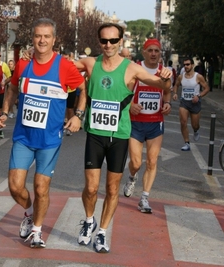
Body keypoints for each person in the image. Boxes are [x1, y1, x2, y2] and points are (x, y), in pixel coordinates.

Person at [74, 23, 172, 253]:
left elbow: (161, 84)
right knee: (90, 188)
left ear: (120, 42)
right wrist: (31, 55)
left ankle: (102, 232)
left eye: (113, 41)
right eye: (104, 41)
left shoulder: (131, 69)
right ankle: (89, 221)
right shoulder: (90, 63)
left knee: (112, 188)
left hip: (118, 136)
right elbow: (58, 66)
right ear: (99, 42)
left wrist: (166, 78)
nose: (108, 45)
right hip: (95, 134)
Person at [0, 18, 86, 248]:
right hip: (23, 137)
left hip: (49, 140)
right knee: (15, 186)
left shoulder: (65, 67)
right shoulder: (23, 65)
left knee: (40, 187)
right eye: (38, 36)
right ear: (33, 39)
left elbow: (83, 89)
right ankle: (28, 213)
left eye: (47, 36)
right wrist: (5, 111)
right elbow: (13, 88)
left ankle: (37, 231)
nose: (42, 40)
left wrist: (78, 115)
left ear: (54, 40)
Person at [122, 39, 172, 214]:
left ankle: (144, 198)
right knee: (135, 162)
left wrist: (167, 103)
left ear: (160, 53)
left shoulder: (164, 72)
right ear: (143, 52)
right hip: (135, 122)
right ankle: (132, 176)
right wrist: (130, 106)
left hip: (155, 122)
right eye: (150, 50)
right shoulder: (135, 69)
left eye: (156, 51)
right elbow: (125, 92)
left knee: (152, 161)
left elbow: (167, 91)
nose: (153, 53)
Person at [172, 58, 210, 151]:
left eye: (188, 64)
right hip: (184, 102)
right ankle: (187, 143)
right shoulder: (181, 76)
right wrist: (175, 93)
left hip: (195, 103)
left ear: (192, 65)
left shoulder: (198, 77)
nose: (186, 66)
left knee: (195, 125)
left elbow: (206, 88)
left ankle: (196, 131)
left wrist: (199, 96)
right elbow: (176, 85)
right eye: (184, 64)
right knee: (183, 122)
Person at [61, 49, 77, 136]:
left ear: (70, 57)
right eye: (63, 59)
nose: (65, 60)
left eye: (66, 58)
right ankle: (62, 126)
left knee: (70, 109)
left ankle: (70, 127)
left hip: (71, 90)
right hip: (61, 90)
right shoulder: (59, 65)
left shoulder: (73, 65)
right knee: (61, 109)